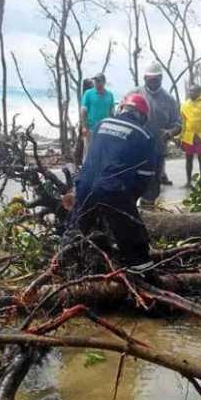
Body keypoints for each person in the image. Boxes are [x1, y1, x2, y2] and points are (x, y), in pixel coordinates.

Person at [66, 93, 157, 271]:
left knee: (76, 230)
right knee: (134, 237)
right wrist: (128, 201)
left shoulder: (101, 124)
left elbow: (93, 158)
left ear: (122, 109)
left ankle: (64, 265)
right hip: (112, 189)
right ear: (143, 115)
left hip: (83, 186)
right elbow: (144, 178)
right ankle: (142, 274)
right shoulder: (144, 135)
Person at [132, 62, 181, 206]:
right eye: (150, 79)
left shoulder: (169, 100)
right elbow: (120, 115)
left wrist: (169, 132)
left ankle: (148, 213)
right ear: (144, 78)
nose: (153, 82)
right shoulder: (134, 94)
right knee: (131, 184)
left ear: (161, 78)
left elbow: (178, 125)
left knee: (152, 187)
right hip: (135, 150)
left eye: (156, 79)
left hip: (157, 150)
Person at [180, 84, 201, 187]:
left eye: (194, 91)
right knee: (188, 160)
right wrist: (179, 137)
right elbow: (182, 122)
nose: (191, 93)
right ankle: (188, 181)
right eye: (190, 91)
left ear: (199, 93)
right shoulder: (184, 105)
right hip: (188, 137)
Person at [81, 72, 115, 152]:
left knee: (102, 151)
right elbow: (83, 111)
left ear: (104, 82)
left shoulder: (109, 95)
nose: (96, 83)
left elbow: (112, 112)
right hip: (91, 128)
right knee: (88, 152)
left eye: (98, 81)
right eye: (95, 81)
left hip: (105, 129)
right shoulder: (88, 93)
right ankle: (86, 165)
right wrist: (84, 127)